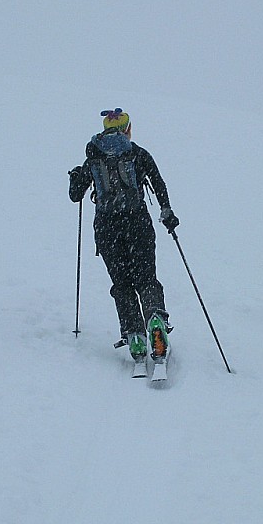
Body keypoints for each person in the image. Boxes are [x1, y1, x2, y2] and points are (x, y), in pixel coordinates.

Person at [68, 109, 180, 363]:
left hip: (107, 229)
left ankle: (135, 335)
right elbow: (158, 183)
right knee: (147, 278)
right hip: (137, 224)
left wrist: (76, 177)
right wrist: (167, 213)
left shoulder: (93, 157)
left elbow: (76, 195)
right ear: (127, 129)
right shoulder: (137, 153)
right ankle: (155, 322)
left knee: (122, 284)